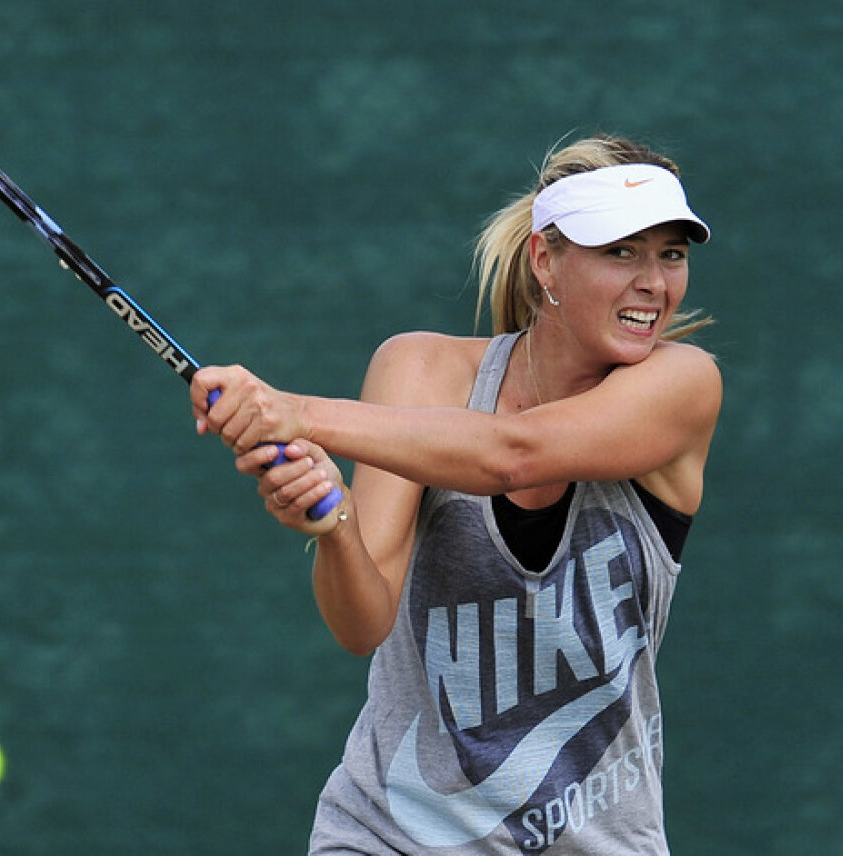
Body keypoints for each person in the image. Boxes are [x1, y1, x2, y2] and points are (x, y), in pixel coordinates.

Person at [191, 134, 721, 854]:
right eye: (620, 252)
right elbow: (361, 625)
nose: (653, 282)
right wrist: (336, 521)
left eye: (671, 254)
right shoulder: (418, 371)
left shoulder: (685, 384)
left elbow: (512, 454)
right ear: (544, 260)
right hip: (387, 837)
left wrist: (297, 413)